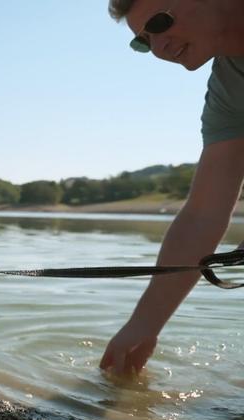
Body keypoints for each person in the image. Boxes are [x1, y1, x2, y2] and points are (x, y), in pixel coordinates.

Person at [100, 0, 244, 376]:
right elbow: (202, 215)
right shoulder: (228, 94)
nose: (159, 47)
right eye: (144, 42)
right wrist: (145, 324)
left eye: (160, 23)